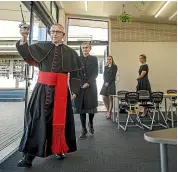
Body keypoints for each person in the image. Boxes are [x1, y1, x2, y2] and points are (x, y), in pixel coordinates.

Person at [16, 24, 83, 167]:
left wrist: (75, 91)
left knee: (60, 122)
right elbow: (26, 53)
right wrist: (24, 36)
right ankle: (29, 157)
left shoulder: (70, 52)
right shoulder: (41, 47)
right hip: (42, 91)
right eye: (52, 31)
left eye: (58, 32)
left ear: (63, 35)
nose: (54, 34)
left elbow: (76, 75)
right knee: (35, 121)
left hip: (61, 92)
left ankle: (58, 149)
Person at [74, 42, 98, 139]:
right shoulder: (78, 59)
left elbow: (95, 72)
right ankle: (84, 130)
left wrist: (88, 82)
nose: (85, 49)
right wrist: (81, 83)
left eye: (87, 47)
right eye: (83, 48)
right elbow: (76, 73)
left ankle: (91, 123)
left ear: (90, 48)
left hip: (91, 86)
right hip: (80, 87)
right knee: (82, 109)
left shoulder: (94, 59)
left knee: (91, 109)